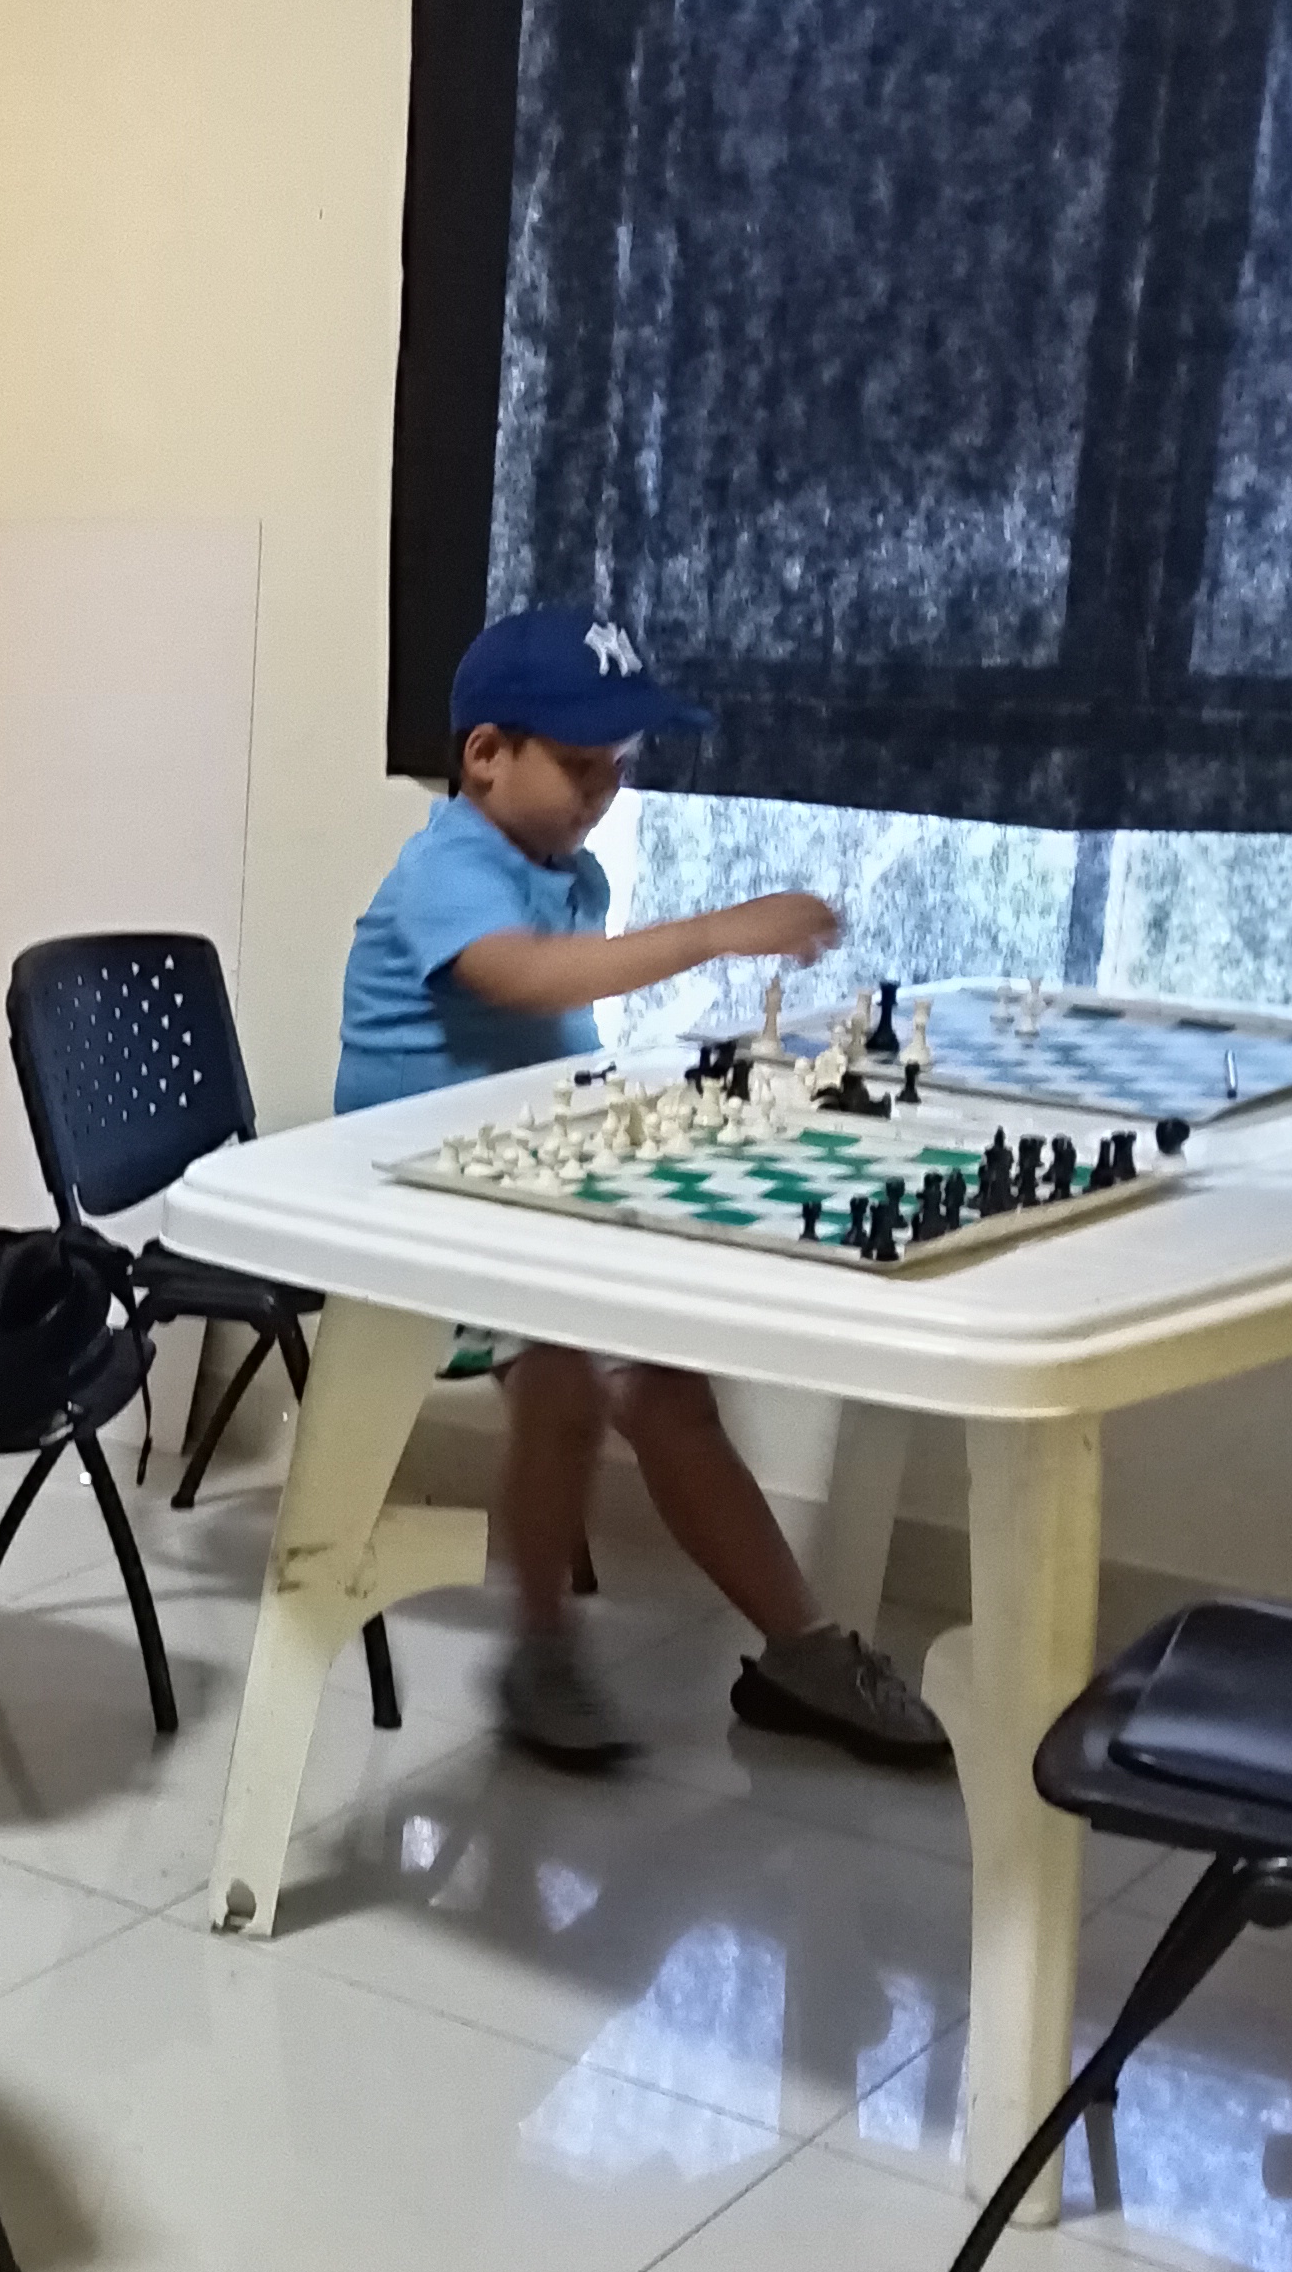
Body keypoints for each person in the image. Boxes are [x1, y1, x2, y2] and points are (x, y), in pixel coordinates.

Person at [335, 603, 948, 1772]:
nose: (602, 792)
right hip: (417, 1212)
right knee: (562, 1378)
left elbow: (558, 1039)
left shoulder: (574, 873)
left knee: (668, 1385)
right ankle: (540, 1647)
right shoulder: (447, 864)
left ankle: (802, 1648)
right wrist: (715, 932)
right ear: (485, 754)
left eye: (617, 767)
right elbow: (521, 980)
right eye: (579, 765)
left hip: (526, 1189)